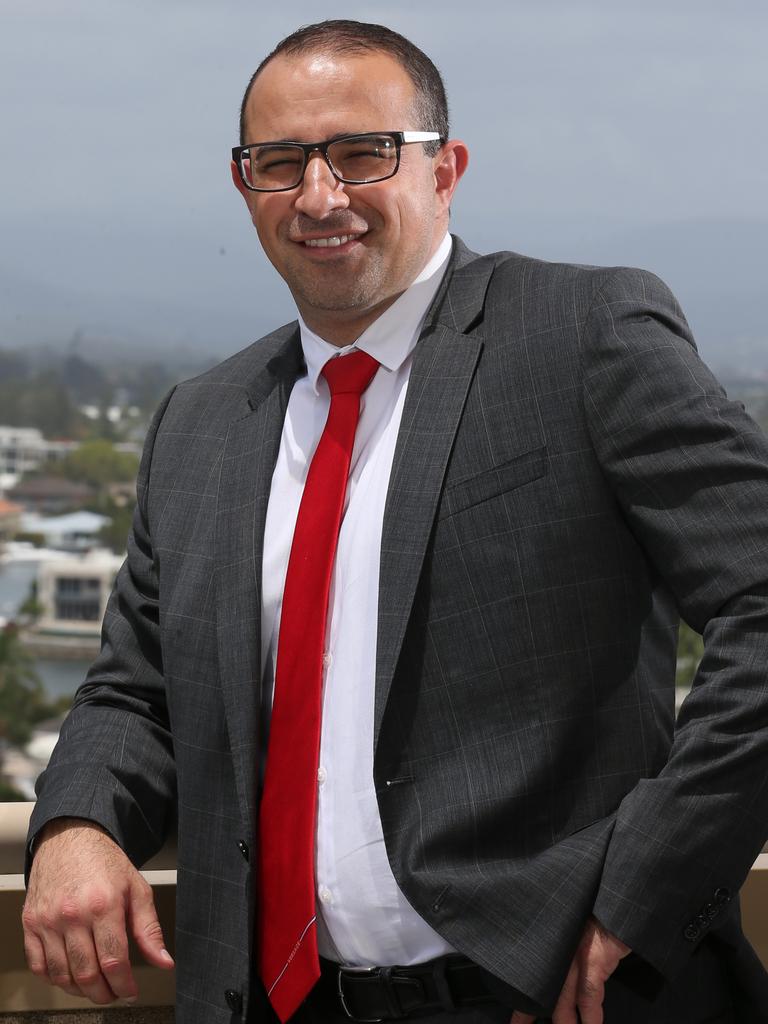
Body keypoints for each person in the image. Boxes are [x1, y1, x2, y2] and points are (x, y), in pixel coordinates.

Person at [21, 18, 768, 1024]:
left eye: (363, 153)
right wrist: (74, 823)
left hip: (548, 994)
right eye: (280, 162)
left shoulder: (583, 339)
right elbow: (135, 687)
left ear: (446, 169)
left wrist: (650, 886)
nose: (320, 195)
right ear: (243, 186)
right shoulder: (203, 419)